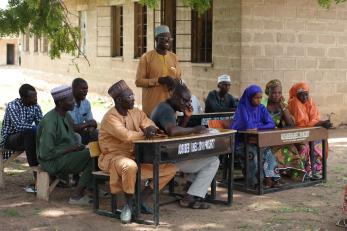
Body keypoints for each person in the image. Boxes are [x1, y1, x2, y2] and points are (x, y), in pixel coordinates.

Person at [98, 80, 176, 224]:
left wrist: (151, 128)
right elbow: (126, 135)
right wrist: (145, 133)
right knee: (130, 166)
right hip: (113, 158)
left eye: (133, 95)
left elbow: (149, 123)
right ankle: (127, 206)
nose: (134, 99)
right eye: (130, 97)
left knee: (170, 168)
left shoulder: (135, 112)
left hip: (135, 155)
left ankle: (138, 200)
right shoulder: (111, 117)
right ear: (119, 100)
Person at [151, 83, 219, 209]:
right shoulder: (166, 109)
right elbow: (172, 131)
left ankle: (192, 191)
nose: (187, 103)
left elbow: (176, 132)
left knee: (200, 154)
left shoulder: (167, 107)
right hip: (163, 159)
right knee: (213, 161)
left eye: (189, 100)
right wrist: (195, 129)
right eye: (184, 100)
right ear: (174, 97)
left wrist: (186, 118)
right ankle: (190, 196)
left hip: (164, 155)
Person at [36, 85, 93, 205]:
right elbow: (46, 153)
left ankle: (91, 187)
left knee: (95, 151)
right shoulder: (50, 122)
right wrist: (73, 148)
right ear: (61, 102)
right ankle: (77, 195)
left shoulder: (65, 115)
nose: (74, 102)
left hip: (64, 155)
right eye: (70, 100)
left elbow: (71, 135)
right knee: (92, 156)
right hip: (52, 162)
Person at [231, 85, 280, 188]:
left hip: (257, 141)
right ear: (249, 97)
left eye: (260, 98)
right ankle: (254, 183)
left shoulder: (261, 108)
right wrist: (261, 126)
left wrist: (258, 127)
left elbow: (271, 124)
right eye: (256, 98)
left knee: (269, 153)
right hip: (241, 143)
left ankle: (270, 179)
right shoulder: (242, 108)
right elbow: (248, 126)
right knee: (253, 154)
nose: (258, 100)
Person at [0, 84, 43, 193]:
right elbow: (18, 126)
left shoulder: (36, 106)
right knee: (30, 133)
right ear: (23, 98)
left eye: (36, 96)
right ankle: (36, 174)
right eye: (32, 97)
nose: (35, 99)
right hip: (10, 139)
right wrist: (36, 129)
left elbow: (41, 124)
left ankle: (44, 176)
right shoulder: (12, 106)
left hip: (27, 137)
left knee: (35, 136)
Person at [262, 80, 305, 183]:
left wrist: (283, 107)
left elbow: (290, 124)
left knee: (290, 147)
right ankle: (275, 176)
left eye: (279, 93)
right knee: (274, 151)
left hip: (277, 137)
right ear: (268, 92)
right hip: (265, 137)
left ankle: (292, 174)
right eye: (274, 93)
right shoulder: (263, 105)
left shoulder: (282, 105)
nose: (276, 95)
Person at [288, 82, 332, 178]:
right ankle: (305, 171)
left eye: (306, 94)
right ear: (296, 94)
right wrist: (319, 123)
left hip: (309, 131)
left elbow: (314, 117)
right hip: (297, 133)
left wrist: (320, 123)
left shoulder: (309, 100)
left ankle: (316, 168)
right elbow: (301, 123)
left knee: (320, 142)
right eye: (301, 95)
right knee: (305, 147)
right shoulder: (294, 102)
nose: (304, 97)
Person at [135, 25, 182, 116]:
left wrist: (174, 82)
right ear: (156, 39)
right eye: (164, 38)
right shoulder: (146, 57)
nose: (167, 40)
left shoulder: (173, 57)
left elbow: (179, 78)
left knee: (171, 129)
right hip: (152, 107)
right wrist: (159, 80)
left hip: (170, 107)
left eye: (169, 38)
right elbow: (138, 82)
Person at [69, 78, 98, 145]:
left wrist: (91, 128)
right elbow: (72, 128)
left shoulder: (86, 103)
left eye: (86, 89)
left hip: (82, 132)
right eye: (83, 89)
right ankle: (78, 154)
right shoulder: (68, 104)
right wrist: (88, 124)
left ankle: (93, 154)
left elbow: (93, 123)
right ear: (74, 89)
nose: (86, 91)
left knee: (96, 133)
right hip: (68, 134)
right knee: (77, 137)